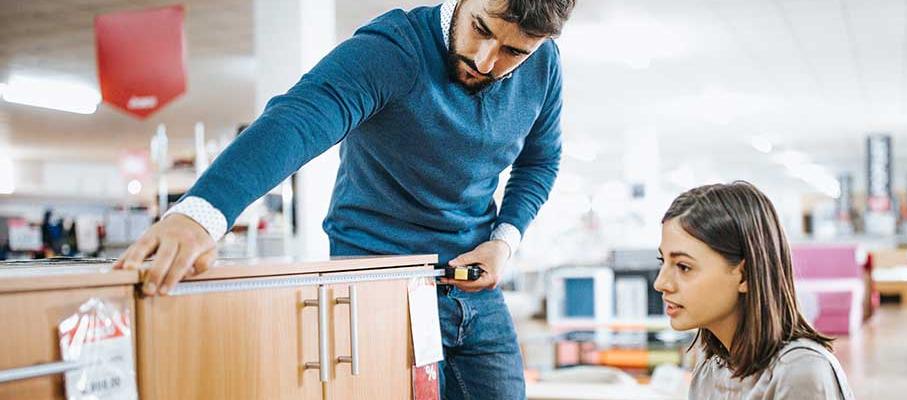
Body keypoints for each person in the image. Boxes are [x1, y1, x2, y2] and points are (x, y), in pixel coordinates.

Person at [113, 0, 576, 398]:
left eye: (513, 51)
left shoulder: (543, 67)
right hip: (376, 284)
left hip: (472, 285)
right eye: (480, 28)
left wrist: (505, 241)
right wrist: (200, 214)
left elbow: (540, 162)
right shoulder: (392, 51)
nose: (484, 58)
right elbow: (300, 118)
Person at [654, 182, 854, 399]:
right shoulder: (710, 370)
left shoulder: (800, 373)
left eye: (684, 267)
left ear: (745, 275)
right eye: (662, 261)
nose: (661, 283)